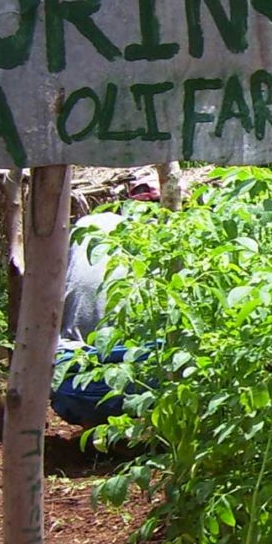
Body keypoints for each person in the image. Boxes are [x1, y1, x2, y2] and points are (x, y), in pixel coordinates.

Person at [51, 175, 157, 427]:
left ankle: (99, 430)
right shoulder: (170, 241)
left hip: (70, 379)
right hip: (142, 379)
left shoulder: (88, 224)